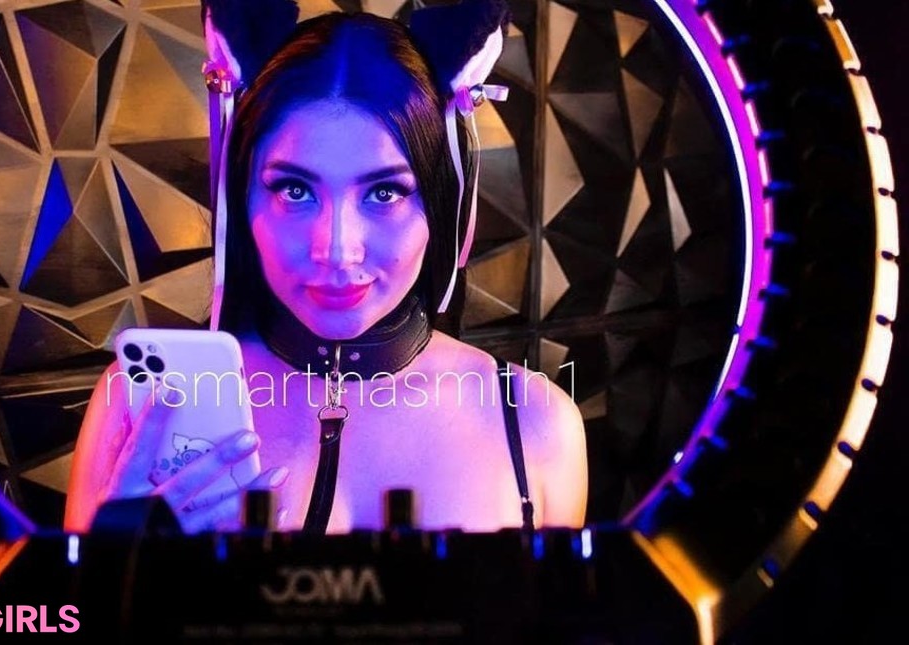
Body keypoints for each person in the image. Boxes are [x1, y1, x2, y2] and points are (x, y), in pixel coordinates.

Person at [64, 5, 586, 535]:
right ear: (238, 199)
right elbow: (67, 593)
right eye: (295, 190)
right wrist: (113, 561)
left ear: (442, 203)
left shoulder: (538, 422)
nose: (337, 251)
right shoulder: (142, 405)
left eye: (385, 192)